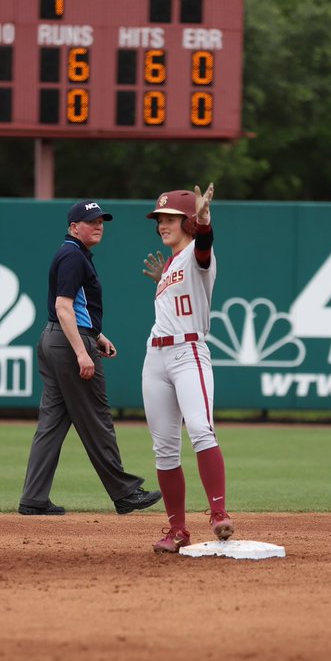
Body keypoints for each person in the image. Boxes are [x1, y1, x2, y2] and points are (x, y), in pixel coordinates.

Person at [18, 199, 163, 517]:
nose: (99, 225)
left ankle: (33, 498)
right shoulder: (72, 255)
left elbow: (72, 309)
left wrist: (96, 335)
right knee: (97, 418)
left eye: (101, 221)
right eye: (91, 221)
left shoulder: (73, 253)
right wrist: (83, 351)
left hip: (55, 338)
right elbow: (63, 306)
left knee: (52, 422)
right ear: (73, 227)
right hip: (68, 343)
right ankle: (124, 493)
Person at [139, 182, 234, 554]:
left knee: (200, 429)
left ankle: (218, 513)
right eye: (160, 218)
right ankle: (177, 530)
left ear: (189, 222)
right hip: (155, 357)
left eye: (171, 218)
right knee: (164, 449)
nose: (163, 224)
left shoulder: (197, 252)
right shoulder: (173, 265)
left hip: (188, 353)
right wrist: (163, 279)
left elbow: (205, 249)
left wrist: (205, 222)